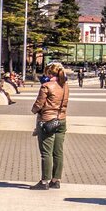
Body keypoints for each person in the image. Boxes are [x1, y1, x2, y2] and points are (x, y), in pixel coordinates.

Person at [30, 62, 70, 190]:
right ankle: (56, 179)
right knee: (58, 152)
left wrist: (33, 110)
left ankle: (44, 181)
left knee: (46, 152)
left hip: (47, 120)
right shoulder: (65, 86)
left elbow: (39, 103)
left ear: (49, 73)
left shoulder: (46, 86)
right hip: (61, 120)